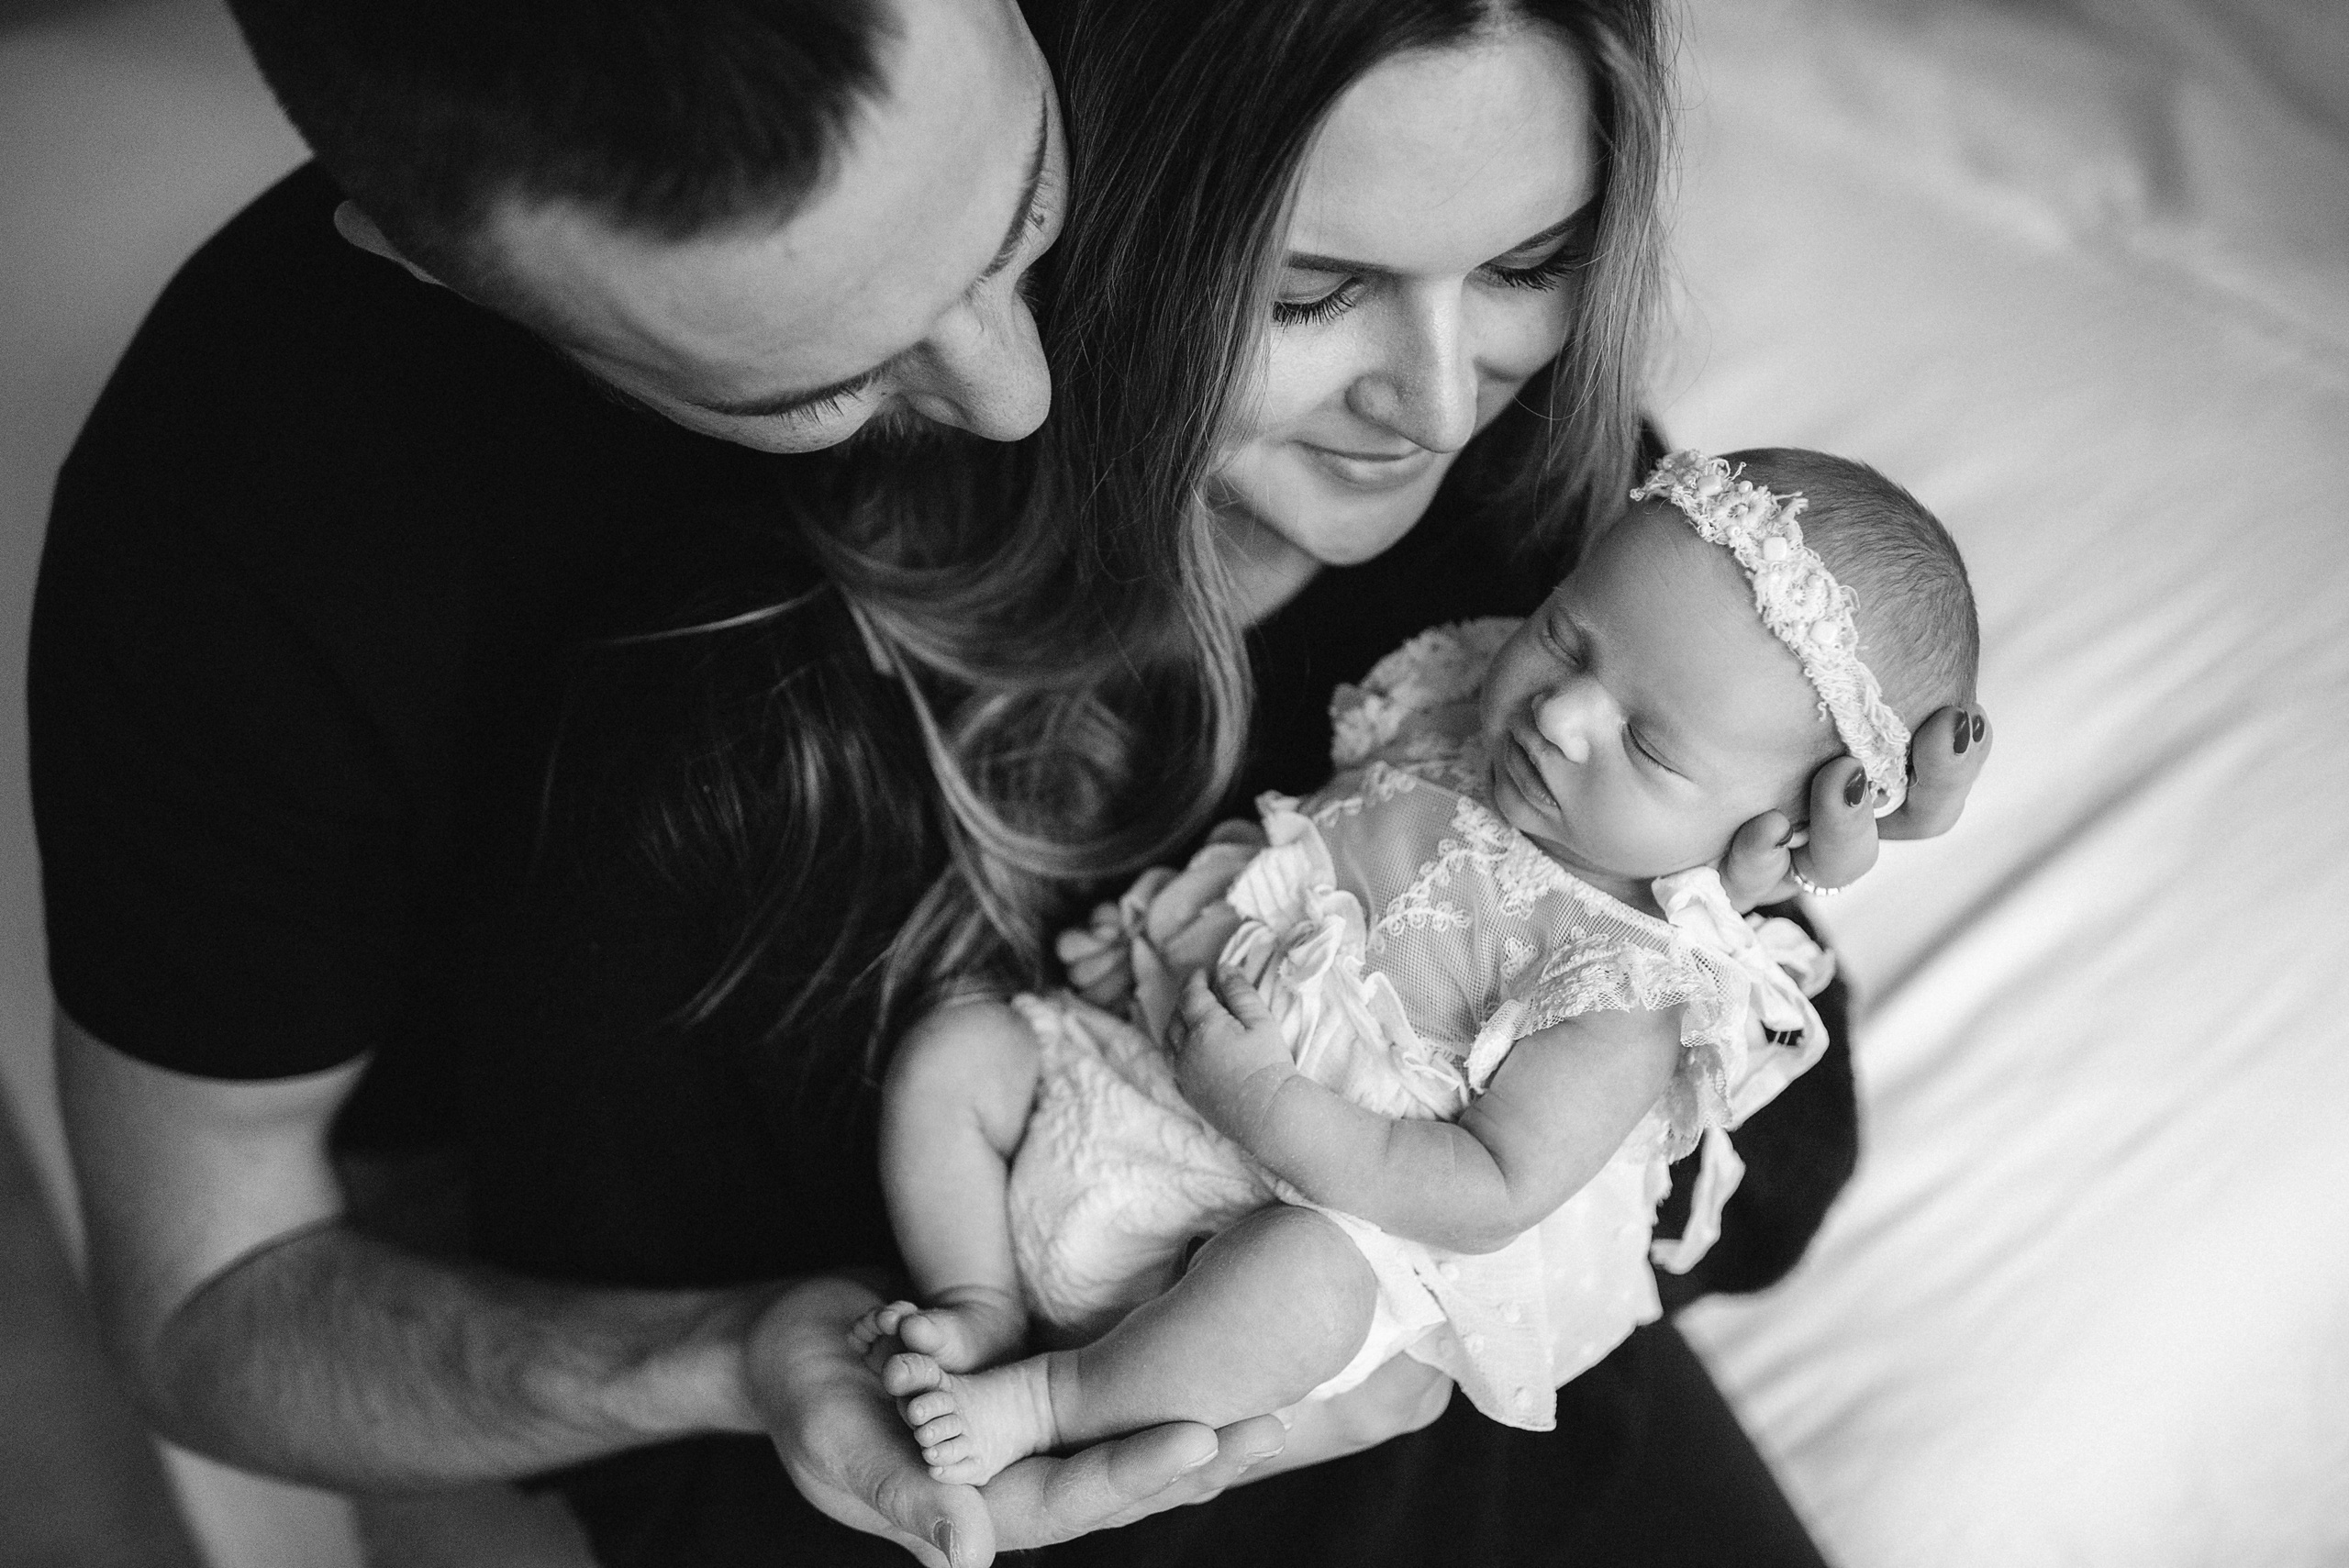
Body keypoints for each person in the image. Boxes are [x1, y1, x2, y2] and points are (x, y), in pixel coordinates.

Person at [455, 4, 1990, 1564]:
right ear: (1071, 212)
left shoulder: (1567, 520)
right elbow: (651, 1449)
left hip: (1542, 1487)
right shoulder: (720, 711)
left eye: (1528, 267)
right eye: (1315, 290)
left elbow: (1781, 1175)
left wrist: (1738, 912)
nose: (1443, 401)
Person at [30, 2, 1301, 1564]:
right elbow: (210, 1301)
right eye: (824, 384)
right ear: (438, 268)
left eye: (1023, 208)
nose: (1013, 393)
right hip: (583, 1283)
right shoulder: (234, 527)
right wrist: (723, 1353)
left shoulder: (1232, 57)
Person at [863, 447, 1979, 1485]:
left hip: (1264, 1214)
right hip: (1130, 1070)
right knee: (959, 1049)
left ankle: (1053, 1396)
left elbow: (1486, 1192)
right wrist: (1164, 937)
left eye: (1648, 744)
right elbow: (1298, 852)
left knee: (1308, 1288)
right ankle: (975, 1302)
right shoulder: (1452, 708)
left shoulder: (1622, 986)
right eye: (1566, 634)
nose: (1562, 711)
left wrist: (1262, 1096)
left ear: (1778, 831)